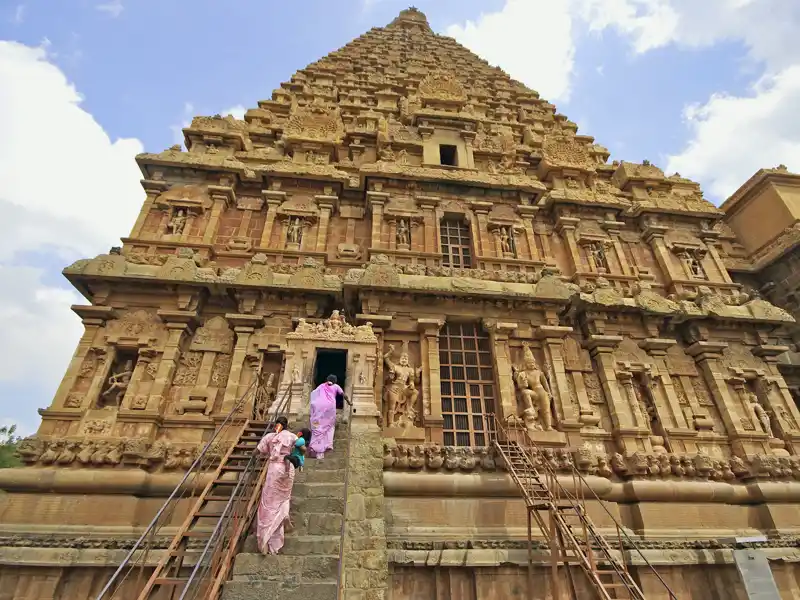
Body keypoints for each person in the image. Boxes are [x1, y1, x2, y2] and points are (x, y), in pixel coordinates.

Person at [253, 416, 298, 555]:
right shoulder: (292, 437)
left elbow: (258, 451)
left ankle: (266, 539)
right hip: (287, 469)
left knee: (268, 503)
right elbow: (301, 450)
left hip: (274, 469)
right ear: (287, 425)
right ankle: (276, 539)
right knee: (282, 500)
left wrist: (254, 457)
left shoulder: (269, 437)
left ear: (276, 425)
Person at [309, 375, 347, 459]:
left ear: (327, 380)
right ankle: (325, 447)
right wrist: (349, 402)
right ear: (335, 381)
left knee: (316, 427)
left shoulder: (321, 386)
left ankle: (314, 448)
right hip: (329, 410)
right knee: (329, 427)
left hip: (318, 410)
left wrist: (314, 404)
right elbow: (344, 395)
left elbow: (313, 394)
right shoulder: (336, 386)